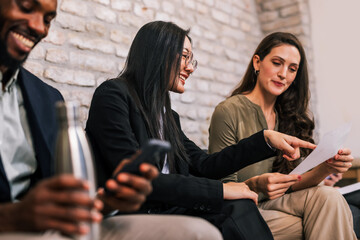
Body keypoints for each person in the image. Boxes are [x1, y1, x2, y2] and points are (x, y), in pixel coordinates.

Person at [0, 1, 224, 240]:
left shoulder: (47, 98)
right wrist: (14, 216)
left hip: (65, 226)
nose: (39, 28)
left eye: (48, 20)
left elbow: (63, 197)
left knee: (204, 231)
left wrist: (106, 202)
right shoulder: (114, 95)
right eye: (25, 6)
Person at [86, 21, 316, 240]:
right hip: (132, 212)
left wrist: (265, 140)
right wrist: (220, 190)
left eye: (191, 59)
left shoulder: (168, 116)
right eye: (185, 56)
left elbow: (205, 166)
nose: (190, 68)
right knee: (233, 206)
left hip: (166, 208)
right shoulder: (113, 95)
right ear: (157, 52)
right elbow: (136, 179)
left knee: (238, 205)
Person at [208, 32, 357, 239]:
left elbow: (291, 183)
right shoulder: (229, 111)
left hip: (278, 202)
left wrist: (326, 168)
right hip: (244, 208)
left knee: (329, 196)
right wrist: (258, 183)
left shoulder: (288, 115)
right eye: (277, 63)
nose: (283, 74)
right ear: (257, 62)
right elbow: (224, 186)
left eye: (292, 69)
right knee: (325, 217)